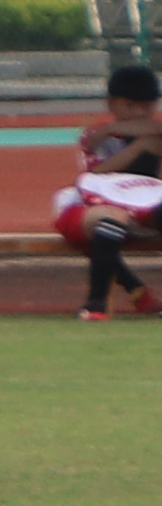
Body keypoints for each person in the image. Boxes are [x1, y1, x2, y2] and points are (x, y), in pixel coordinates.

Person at [57, 61, 162, 316]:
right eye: (130, 105)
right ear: (112, 104)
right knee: (110, 221)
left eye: (147, 106)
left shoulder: (155, 133)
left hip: (147, 209)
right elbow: (95, 176)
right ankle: (97, 305)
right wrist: (138, 147)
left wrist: (130, 132)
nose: (140, 112)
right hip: (103, 204)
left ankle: (139, 295)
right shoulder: (97, 135)